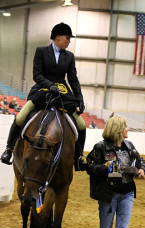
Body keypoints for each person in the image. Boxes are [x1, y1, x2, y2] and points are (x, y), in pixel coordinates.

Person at [1, 22, 86, 171]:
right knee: (21, 118)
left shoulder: (69, 57)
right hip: (42, 89)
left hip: (62, 91)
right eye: (67, 38)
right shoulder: (41, 51)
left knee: (81, 124)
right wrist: (48, 84)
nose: (69, 41)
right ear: (58, 37)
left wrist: (80, 99)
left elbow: (73, 79)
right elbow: (37, 74)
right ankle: (9, 149)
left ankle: (78, 157)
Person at [86, 116, 145, 228]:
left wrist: (142, 169)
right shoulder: (100, 147)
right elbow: (90, 166)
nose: (128, 129)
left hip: (127, 194)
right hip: (109, 195)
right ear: (118, 129)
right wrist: (108, 169)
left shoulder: (129, 146)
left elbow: (142, 161)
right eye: (126, 126)